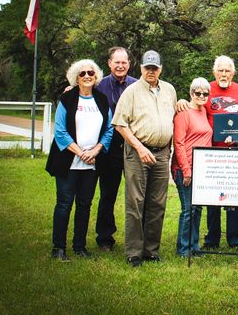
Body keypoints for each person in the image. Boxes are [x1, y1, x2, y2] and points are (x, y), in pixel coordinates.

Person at [178, 55, 238, 250]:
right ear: (214, 72)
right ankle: (212, 238)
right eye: (220, 70)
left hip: (236, 154)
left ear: (233, 73)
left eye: (228, 70)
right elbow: (194, 106)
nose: (224, 74)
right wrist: (181, 101)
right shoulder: (207, 90)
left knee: (234, 197)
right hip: (211, 153)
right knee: (212, 198)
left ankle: (235, 238)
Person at [112, 50, 177, 267]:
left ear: (160, 69)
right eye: (147, 67)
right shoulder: (131, 92)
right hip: (138, 151)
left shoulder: (169, 90)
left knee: (157, 203)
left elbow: (173, 119)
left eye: (155, 68)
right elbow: (120, 124)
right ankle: (133, 252)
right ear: (140, 68)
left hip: (161, 152)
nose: (151, 71)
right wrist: (140, 148)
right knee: (136, 201)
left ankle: (151, 250)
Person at [46, 59, 113, 261]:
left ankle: (80, 246)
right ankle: (58, 248)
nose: (86, 76)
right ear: (76, 77)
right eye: (82, 73)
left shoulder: (101, 100)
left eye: (90, 73)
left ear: (96, 77)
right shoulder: (67, 99)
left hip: (91, 164)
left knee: (85, 205)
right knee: (64, 204)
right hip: (69, 162)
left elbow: (109, 129)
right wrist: (80, 152)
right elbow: (60, 131)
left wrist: (96, 151)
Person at [95, 46, 137, 251]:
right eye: (116, 62)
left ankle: (138, 238)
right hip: (108, 149)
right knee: (108, 194)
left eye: (124, 62)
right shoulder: (99, 86)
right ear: (109, 63)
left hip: (133, 147)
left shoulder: (138, 86)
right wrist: (70, 89)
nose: (120, 66)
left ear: (129, 64)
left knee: (137, 196)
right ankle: (105, 238)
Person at [172, 78, 213, 258]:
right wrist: (186, 170)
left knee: (198, 209)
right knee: (188, 209)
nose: (202, 96)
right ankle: (183, 249)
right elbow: (178, 143)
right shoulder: (183, 113)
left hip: (202, 167)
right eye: (198, 93)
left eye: (205, 93)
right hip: (185, 168)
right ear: (191, 93)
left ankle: (194, 246)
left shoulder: (203, 111)